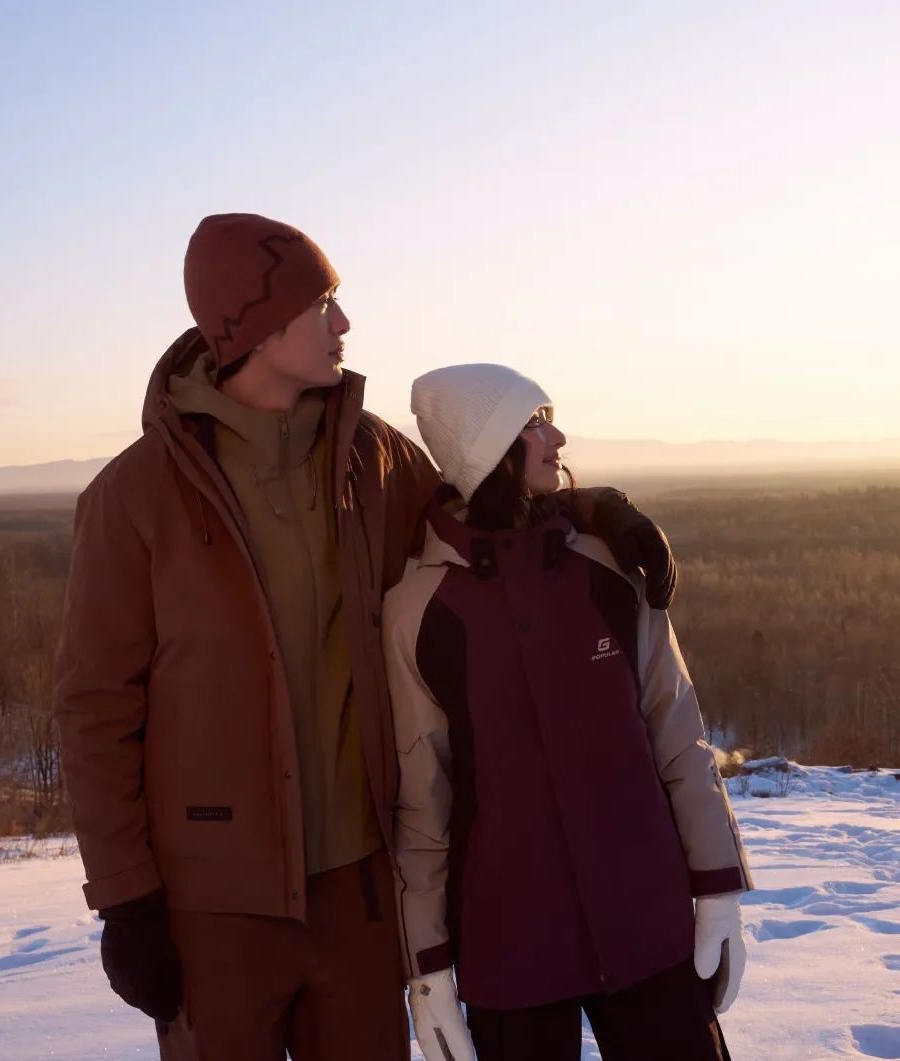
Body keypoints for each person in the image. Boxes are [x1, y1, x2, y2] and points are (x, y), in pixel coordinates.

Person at [54, 215, 682, 1061]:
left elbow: (483, 528)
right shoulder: (133, 498)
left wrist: (586, 507)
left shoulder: (376, 459)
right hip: (213, 908)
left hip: (359, 894)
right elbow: (95, 710)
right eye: (322, 304)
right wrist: (127, 900)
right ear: (254, 324)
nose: (344, 324)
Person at [383, 363, 753, 1061]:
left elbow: (677, 733)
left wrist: (716, 885)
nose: (556, 435)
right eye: (532, 422)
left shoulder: (610, 563)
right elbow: (421, 804)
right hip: (509, 942)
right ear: (482, 448)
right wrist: (426, 966)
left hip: (644, 920)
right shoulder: (416, 612)